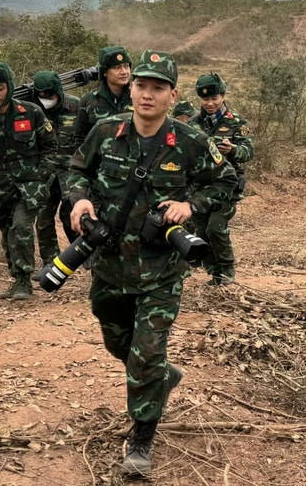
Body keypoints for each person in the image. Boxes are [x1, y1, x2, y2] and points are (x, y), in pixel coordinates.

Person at [66, 51, 238, 477]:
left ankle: (141, 438)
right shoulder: (107, 132)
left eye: (158, 87)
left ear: (172, 94)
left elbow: (226, 181)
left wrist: (190, 204)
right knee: (115, 342)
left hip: (160, 272)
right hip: (108, 266)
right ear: (132, 89)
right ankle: (160, 376)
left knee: (145, 354)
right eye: (141, 85)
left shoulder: (192, 141)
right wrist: (80, 198)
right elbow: (75, 170)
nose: (147, 93)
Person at [0, 62, 58, 300]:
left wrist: (40, 177)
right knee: (7, 231)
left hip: (30, 186)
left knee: (21, 226)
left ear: (9, 87)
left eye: (0, 87)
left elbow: (50, 147)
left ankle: (24, 280)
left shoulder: (32, 112)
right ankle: (16, 278)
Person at [193, 73, 254, 286]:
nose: (210, 103)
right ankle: (214, 272)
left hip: (227, 186)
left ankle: (227, 270)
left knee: (215, 227)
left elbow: (248, 152)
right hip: (200, 188)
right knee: (200, 230)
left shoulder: (237, 122)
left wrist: (234, 149)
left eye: (214, 99)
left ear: (223, 96)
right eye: (205, 99)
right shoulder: (193, 123)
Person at [31, 70, 80, 272]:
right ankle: (51, 264)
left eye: (50, 95)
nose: (46, 100)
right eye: (41, 96)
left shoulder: (76, 106)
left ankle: (83, 257)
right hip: (46, 174)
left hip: (71, 173)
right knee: (43, 219)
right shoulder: (34, 111)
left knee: (72, 215)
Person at [73, 45, 132, 147]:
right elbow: (80, 139)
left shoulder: (138, 98)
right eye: (117, 67)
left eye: (126, 66)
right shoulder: (89, 101)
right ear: (105, 72)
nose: (124, 72)